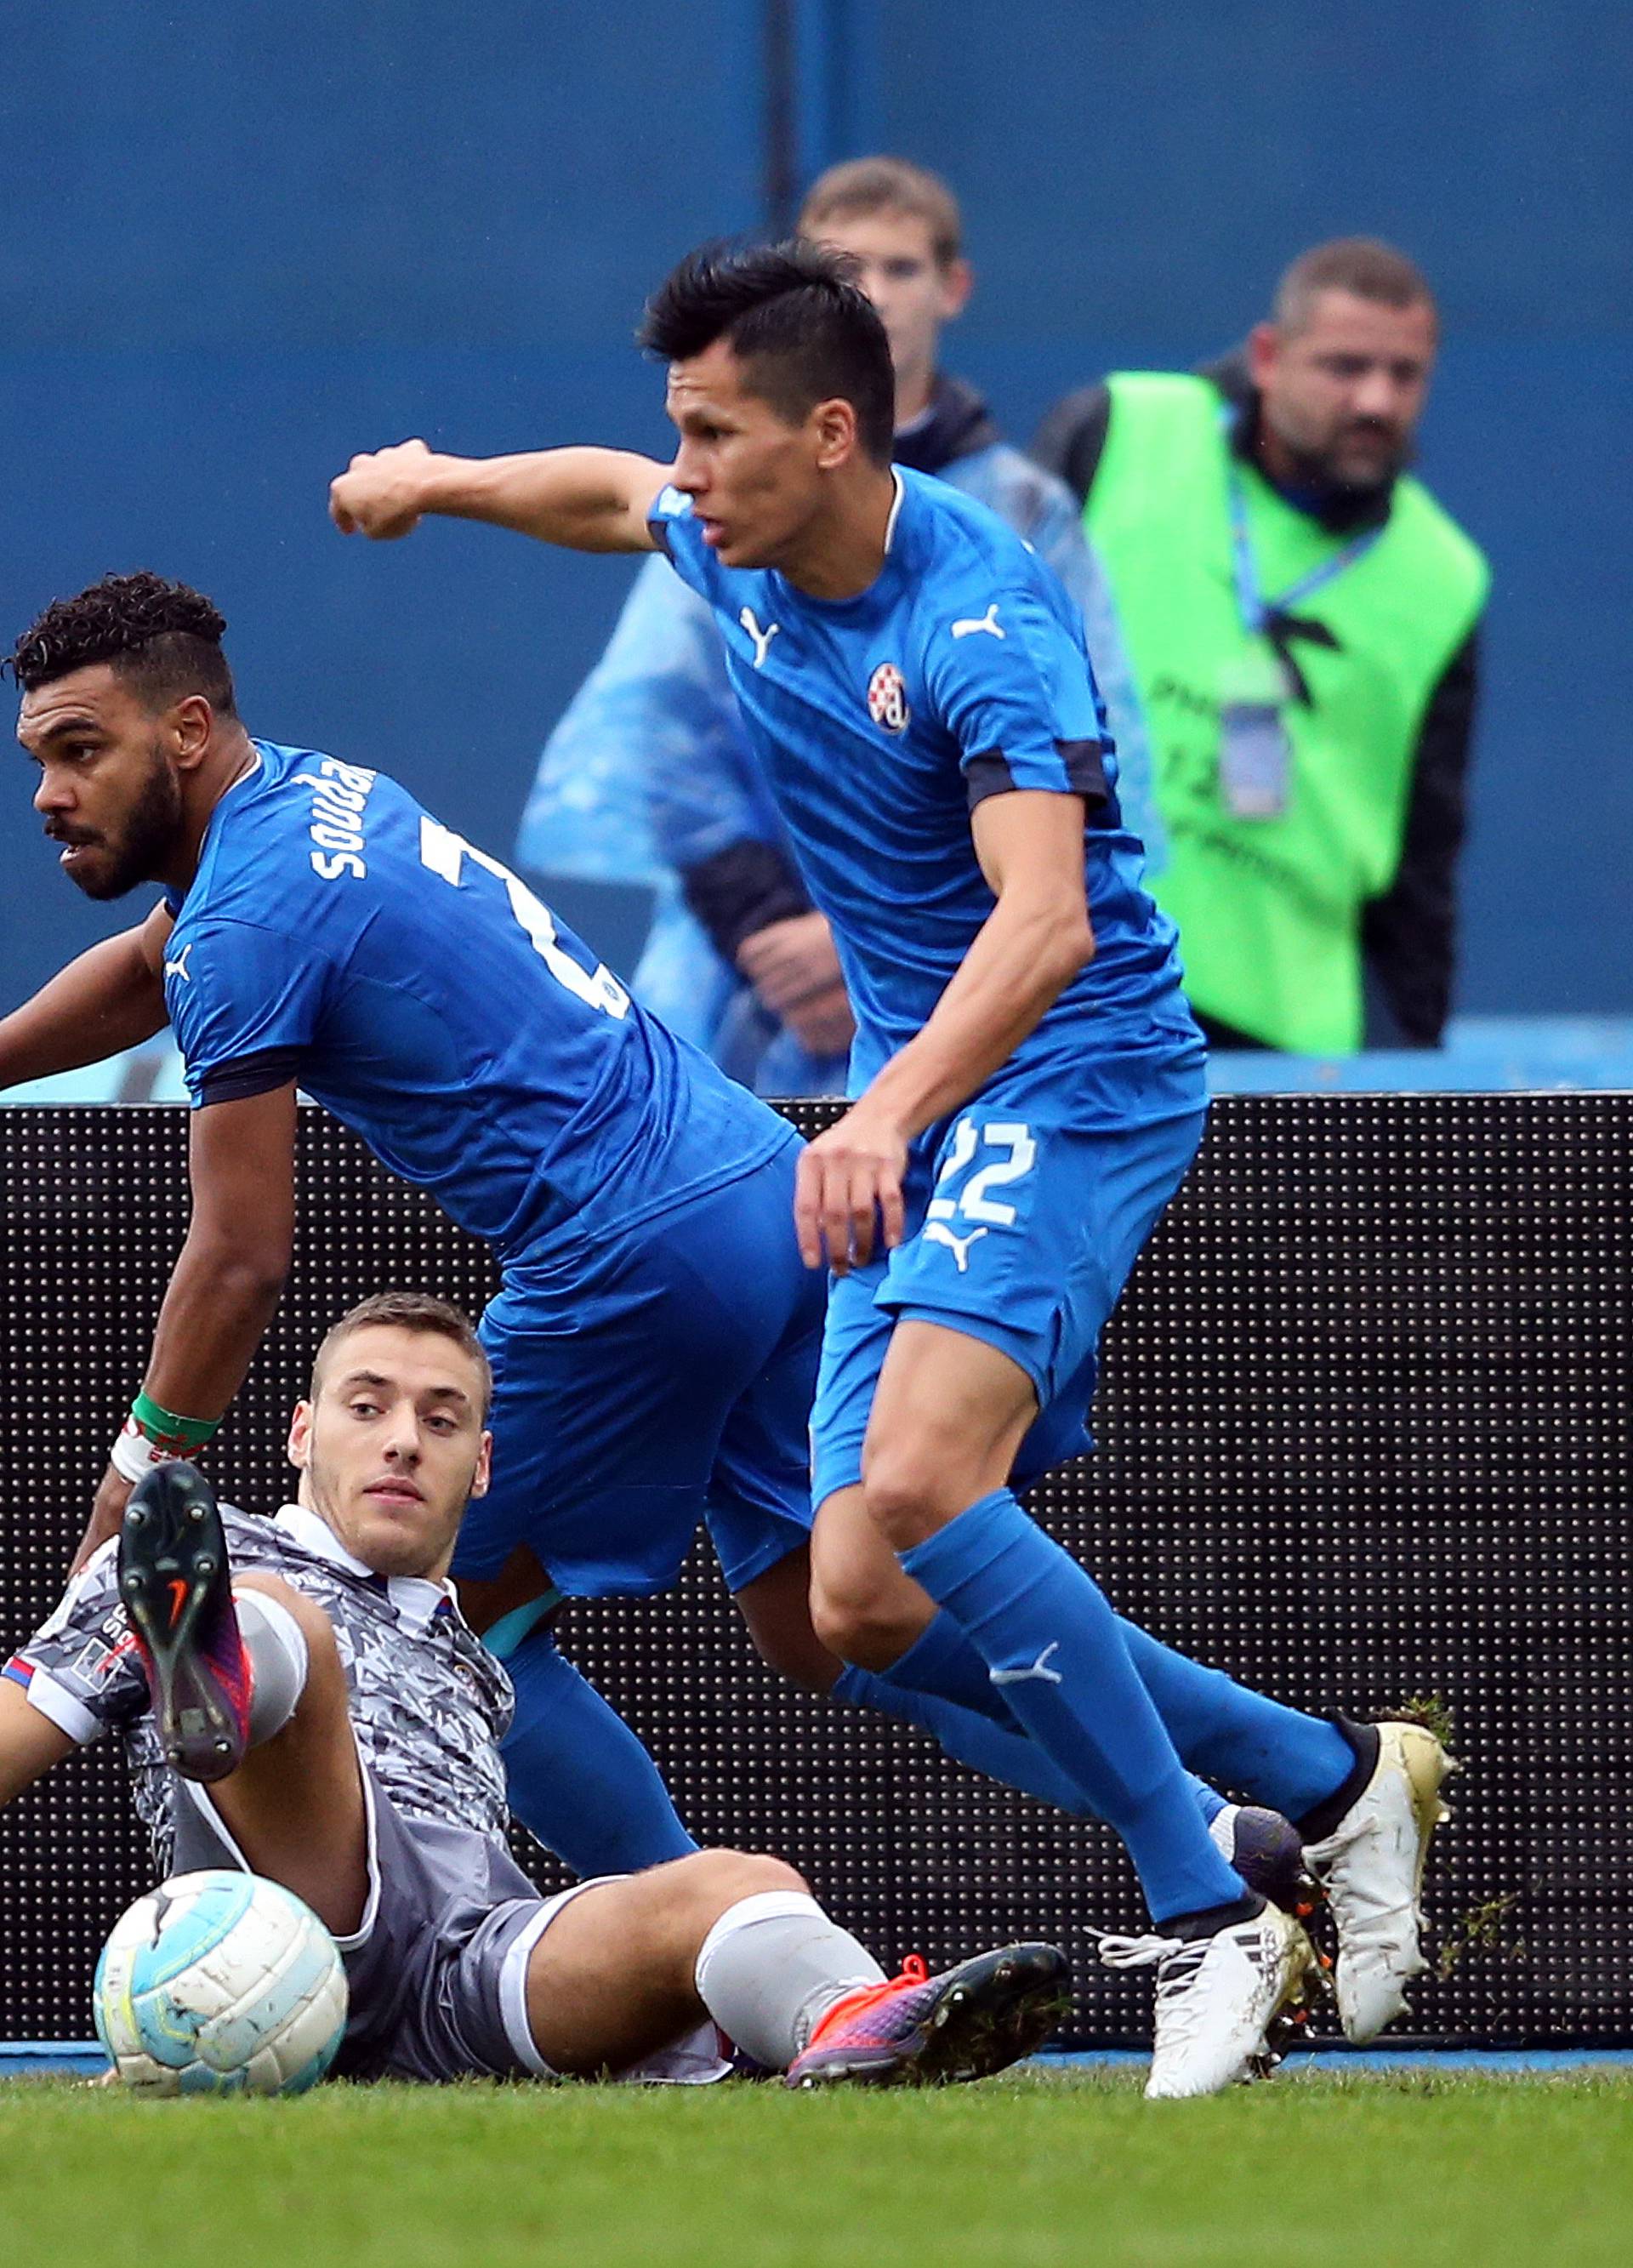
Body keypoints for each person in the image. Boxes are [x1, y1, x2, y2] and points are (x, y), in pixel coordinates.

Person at [328, 239, 1454, 2097]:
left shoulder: (980, 620)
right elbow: (609, 499)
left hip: (1068, 1079)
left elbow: (1047, 928)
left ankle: (1207, 1908)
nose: (681, 469)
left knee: (923, 1488)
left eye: (715, 433)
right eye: (679, 430)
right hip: (921, 1099)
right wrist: (439, 481)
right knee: (847, 1603)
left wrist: (875, 1116)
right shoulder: (739, 541)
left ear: (831, 434)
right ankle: (1329, 1783)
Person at [0, 571, 831, 1883]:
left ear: (188, 731)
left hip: (631, 1253)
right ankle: (1248, 1806)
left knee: (438, 1617)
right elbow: (142, 971)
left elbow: (239, 1253)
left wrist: (137, 1471)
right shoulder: (310, 791)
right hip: (764, 1184)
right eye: (39, 756)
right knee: (845, 1624)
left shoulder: (249, 923)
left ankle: (704, 1974)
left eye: (79, 750)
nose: (48, 791)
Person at [0, 1292, 1068, 2088]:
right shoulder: (194, 1551)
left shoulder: (476, 1652)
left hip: (465, 1958)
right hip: (276, 1922)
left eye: (442, 1417)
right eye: (366, 1406)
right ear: (299, 1433)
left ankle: (859, 2026)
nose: (403, 1437)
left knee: (730, 1879)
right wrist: (206, 1615)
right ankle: (223, 1683)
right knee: (293, 1622)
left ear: (481, 1465)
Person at [517, 157, 1157, 1096]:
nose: (878, 297)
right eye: (847, 272)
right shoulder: (730, 499)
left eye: (902, 268)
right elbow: (660, 726)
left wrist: (871, 935)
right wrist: (770, 929)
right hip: (751, 965)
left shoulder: (1019, 519)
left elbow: (1069, 780)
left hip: (957, 964)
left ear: (954, 288)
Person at [1034, 236, 1488, 1055]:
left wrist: (1411, 1075)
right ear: (1269, 357)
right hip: (1069, 982)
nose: (1376, 400)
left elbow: (1425, 862)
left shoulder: (1445, 577)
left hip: (1284, 1031)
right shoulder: (1120, 429)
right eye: (1345, 367)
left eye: (1405, 374)